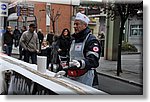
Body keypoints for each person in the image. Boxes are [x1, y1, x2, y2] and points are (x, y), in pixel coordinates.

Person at [56, 12, 101, 87]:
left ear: (85, 25)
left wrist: (81, 63)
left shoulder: (91, 40)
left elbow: (93, 60)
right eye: (74, 24)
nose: (74, 26)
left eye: (77, 24)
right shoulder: (73, 39)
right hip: (73, 76)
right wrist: (65, 70)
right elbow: (71, 58)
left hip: (86, 77)